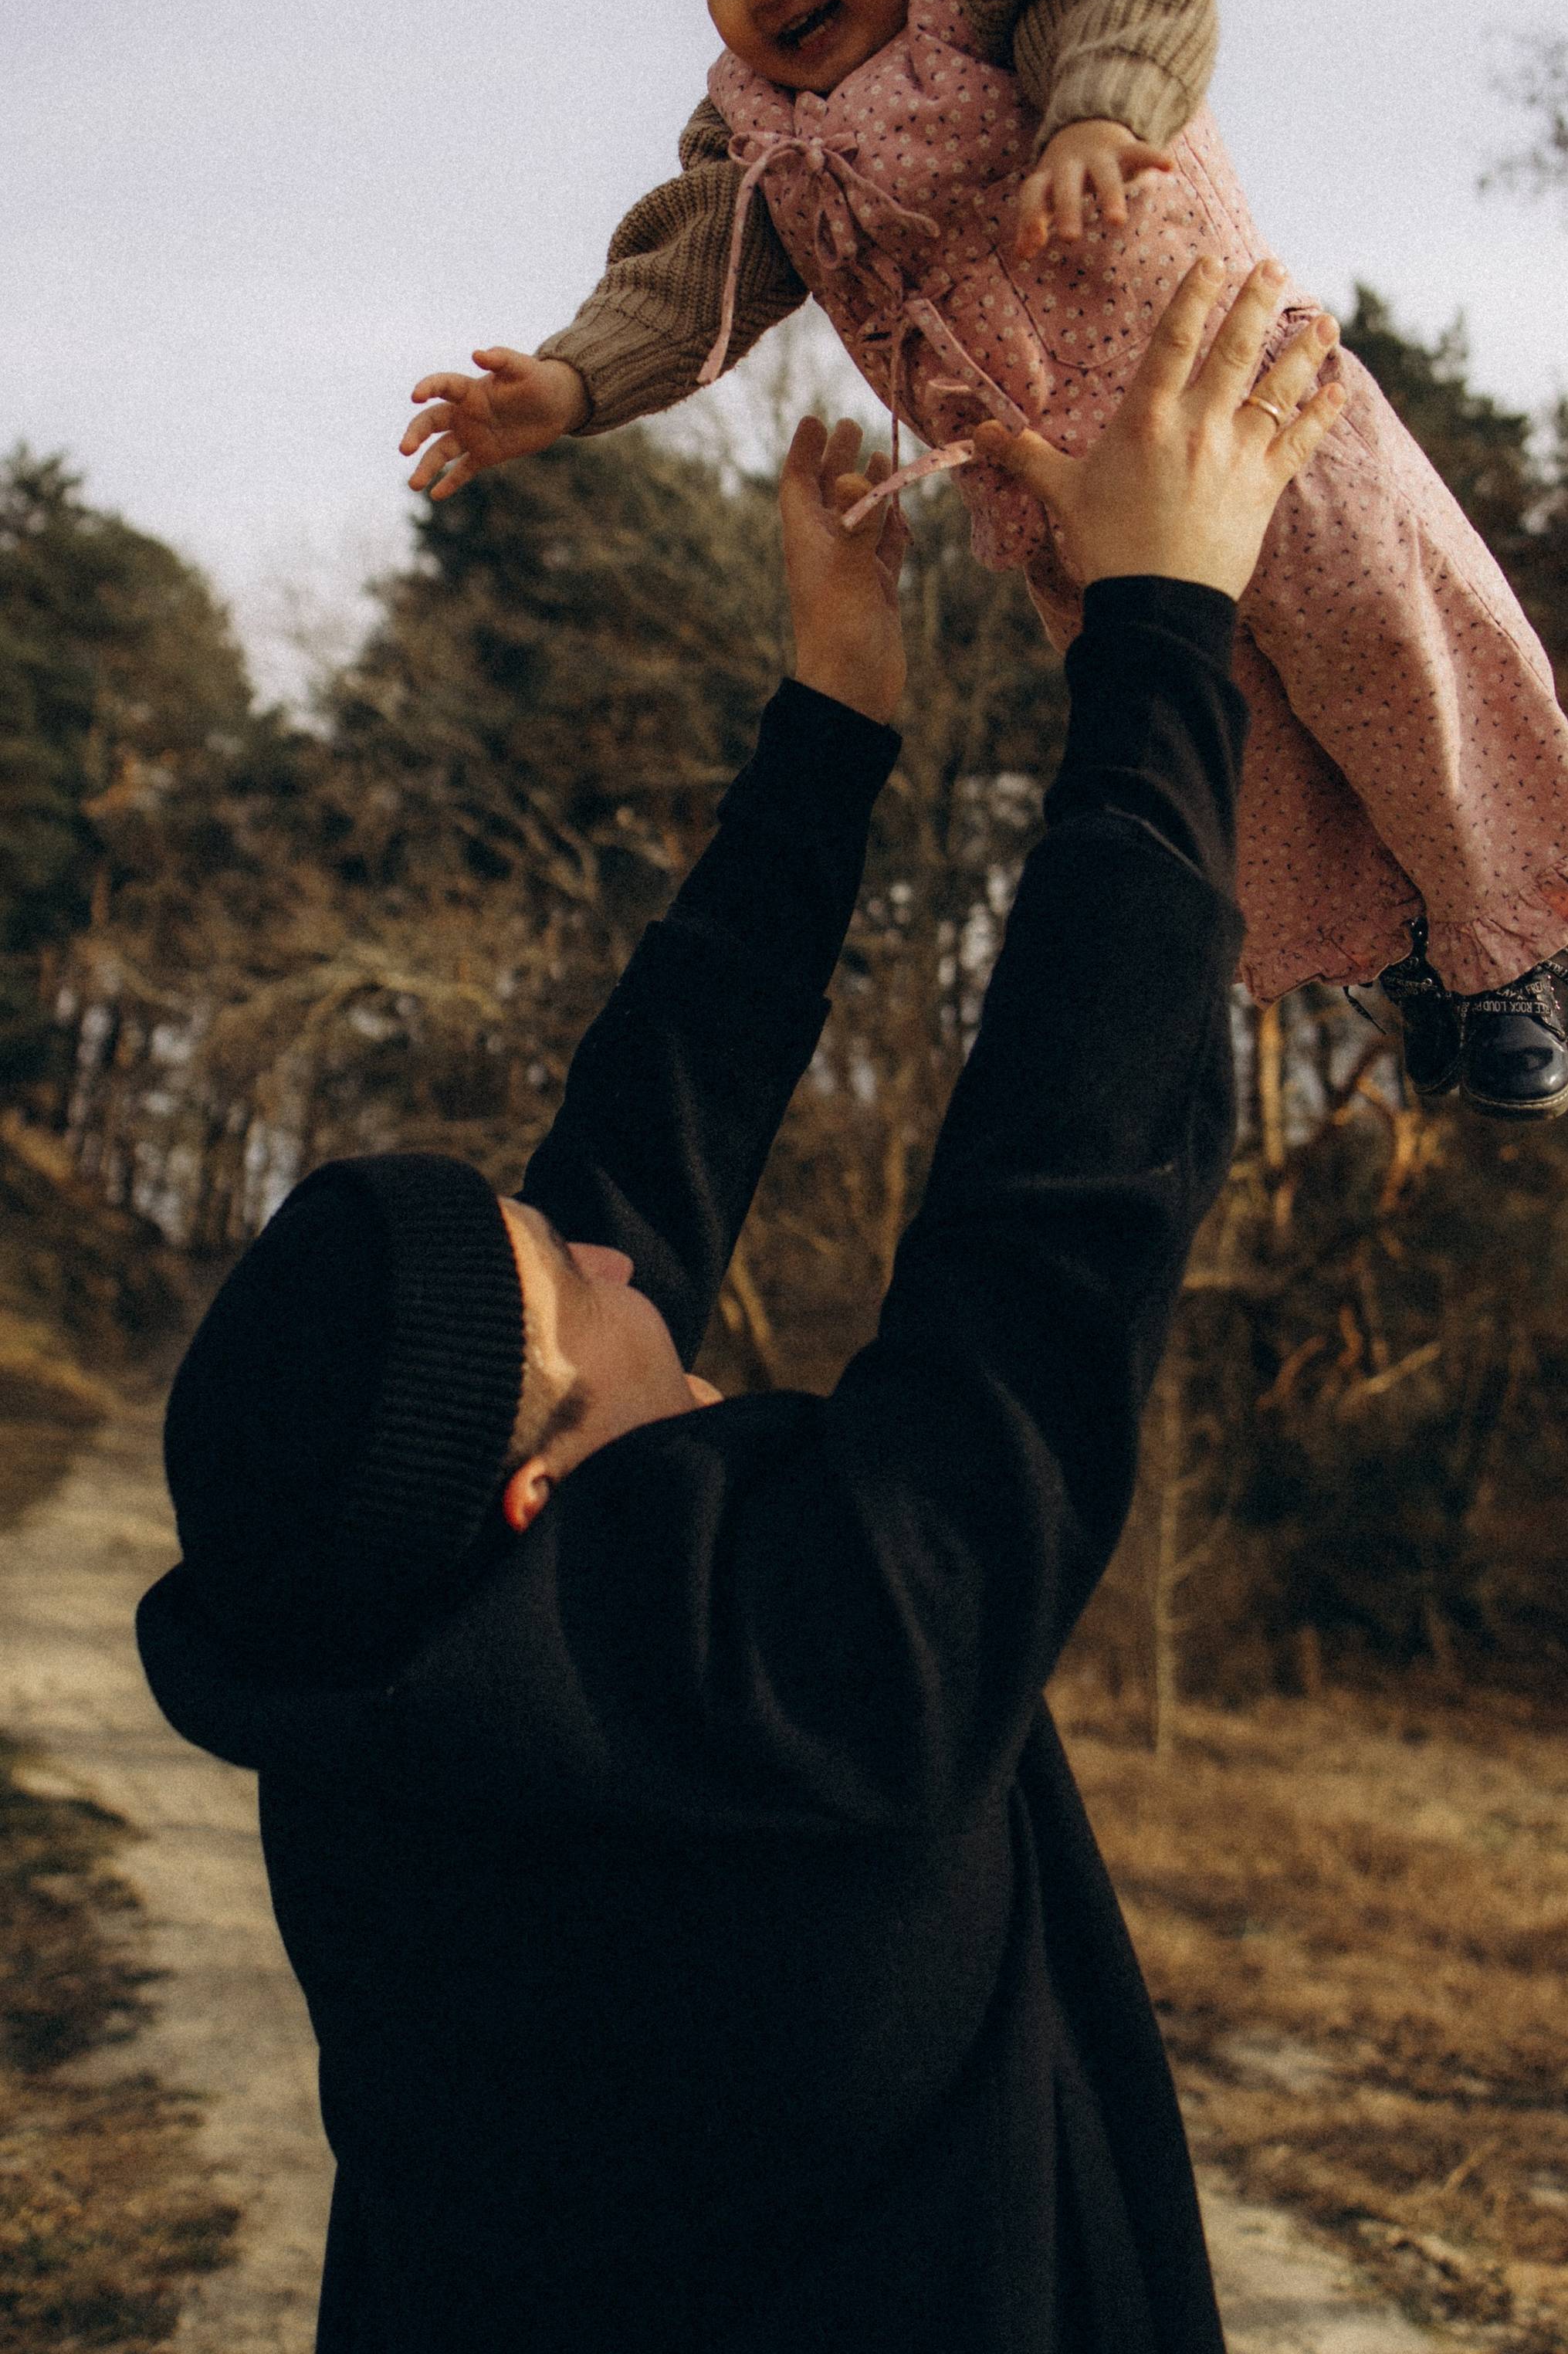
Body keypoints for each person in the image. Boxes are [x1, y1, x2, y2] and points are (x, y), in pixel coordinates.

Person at [141, 261, 1342, 2354]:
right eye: (563, 1288)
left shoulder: (382, 1703)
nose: (610, 1250)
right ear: (528, 1489)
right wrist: (1165, 637)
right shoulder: (811, 1695)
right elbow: (1054, 1207)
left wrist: (836, 712)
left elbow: (642, 1145)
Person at [397, 0, 1568, 1122]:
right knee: (1237, 754)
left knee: (1389, 639)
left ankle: (1508, 948)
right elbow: (696, 267)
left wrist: (1095, 118)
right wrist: (568, 384)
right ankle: (1415, 952)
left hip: (1243, 415)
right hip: (1083, 518)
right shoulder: (756, 135)